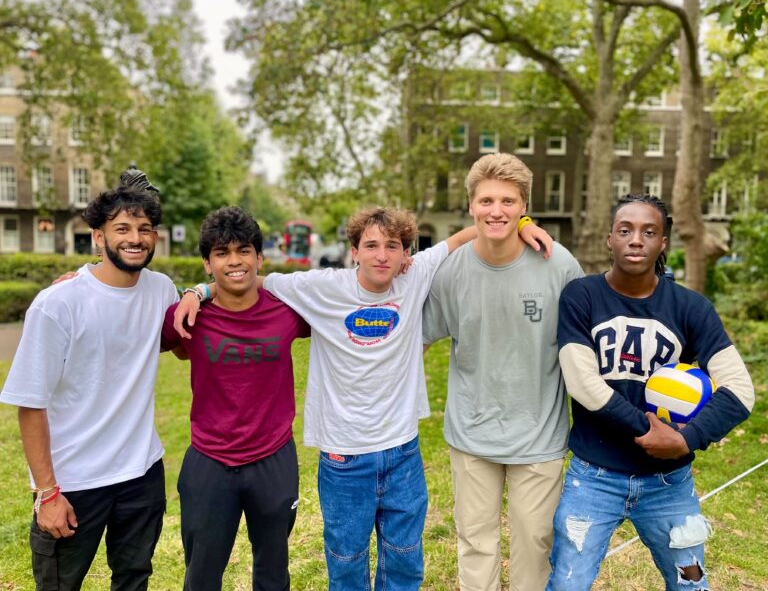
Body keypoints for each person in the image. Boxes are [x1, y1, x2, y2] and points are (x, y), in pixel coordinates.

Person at [174, 207, 553, 591]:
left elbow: (461, 238)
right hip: (344, 456)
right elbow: (252, 279)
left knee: (405, 557)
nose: (382, 255)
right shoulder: (322, 287)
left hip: (402, 449)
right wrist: (198, 290)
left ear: (408, 254)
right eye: (370, 245)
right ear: (353, 251)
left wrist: (521, 224)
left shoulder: (416, 275)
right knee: (346, 558)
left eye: (393, 246)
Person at [546, 194, 755, 591]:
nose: (636, 240)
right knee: (567, 584)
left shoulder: (691, 308)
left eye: (649, 231)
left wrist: (685, 439)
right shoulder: (582, 296)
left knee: (691, 584)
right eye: (625, 230)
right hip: (593, 478)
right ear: (610, 238)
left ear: (663, 243)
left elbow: (741, 391)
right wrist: (649, 431)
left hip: (669, 484)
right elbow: (583, 383)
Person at [0, 177, 178, 591]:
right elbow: (30, 404)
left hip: (141, 473)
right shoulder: (57, 304)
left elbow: (183, 329)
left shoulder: (161, 289)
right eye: (122, 229)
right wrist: (47, 493)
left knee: (134, 579)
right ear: (98, 236)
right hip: (73, 482)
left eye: (144, 229)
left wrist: (198, 290)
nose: (135, 239)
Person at [422, 153, 583, 591]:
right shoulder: (449, 272)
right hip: (472, 430)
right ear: (471, 205)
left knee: (535, 543)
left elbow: (586, 343)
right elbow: (415, 339)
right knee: (475, 543)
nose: (497, 211)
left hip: (540, 432)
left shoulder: (558, 263)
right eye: (487, 200)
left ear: (523, 206)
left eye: (509, 201)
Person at [160, 207, 310, 591]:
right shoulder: (187, 316)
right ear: (207, 264)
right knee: (202, 576)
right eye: (222, 253)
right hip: (209, 461)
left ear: (259, 258)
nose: (234, 261)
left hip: (273, 457)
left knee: (274, 573)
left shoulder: (289, 311)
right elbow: (125, 314)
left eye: (243, 250)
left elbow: (348, 297)